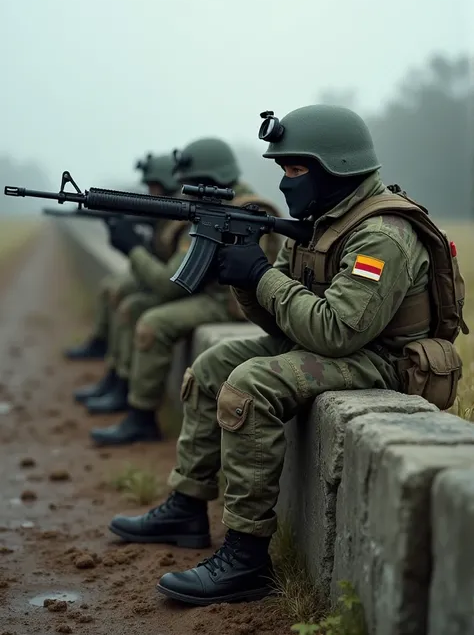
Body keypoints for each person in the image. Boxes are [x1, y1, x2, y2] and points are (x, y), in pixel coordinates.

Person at [106, 103, 467, 606]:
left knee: (253, 383)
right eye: (282, 170)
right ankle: (188, 505)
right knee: (214, 366)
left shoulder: (381, 236)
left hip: (386, 361)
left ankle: (247, 556)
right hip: (341, 346)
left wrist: (261, 274)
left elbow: (338, 331)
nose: (285, 183)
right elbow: (283, 320)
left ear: (336, 167)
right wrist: (246, 277)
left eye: (296, 170)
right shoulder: (323, 219)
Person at [83, 138, 282, 446]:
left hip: (234, 305)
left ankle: (142, 417)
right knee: (135, 306)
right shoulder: (219, 205)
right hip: (214, 296)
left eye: (189, 181)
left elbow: (169, 284)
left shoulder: (248, 210)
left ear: (211, 178)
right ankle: (122, 385)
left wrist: (133, 248)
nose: (182, 188)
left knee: (155, 322)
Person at [64, 152, 179, 363]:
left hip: (178, 290)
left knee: (130, 303)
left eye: (155, 186)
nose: (150, 192)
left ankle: (122, 378)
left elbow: (168, 280)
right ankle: (107, 357)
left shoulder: (181, 220)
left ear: (169, 185)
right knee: (113, 287)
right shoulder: (164, 219)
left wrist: (134, 247)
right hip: (166, 284)